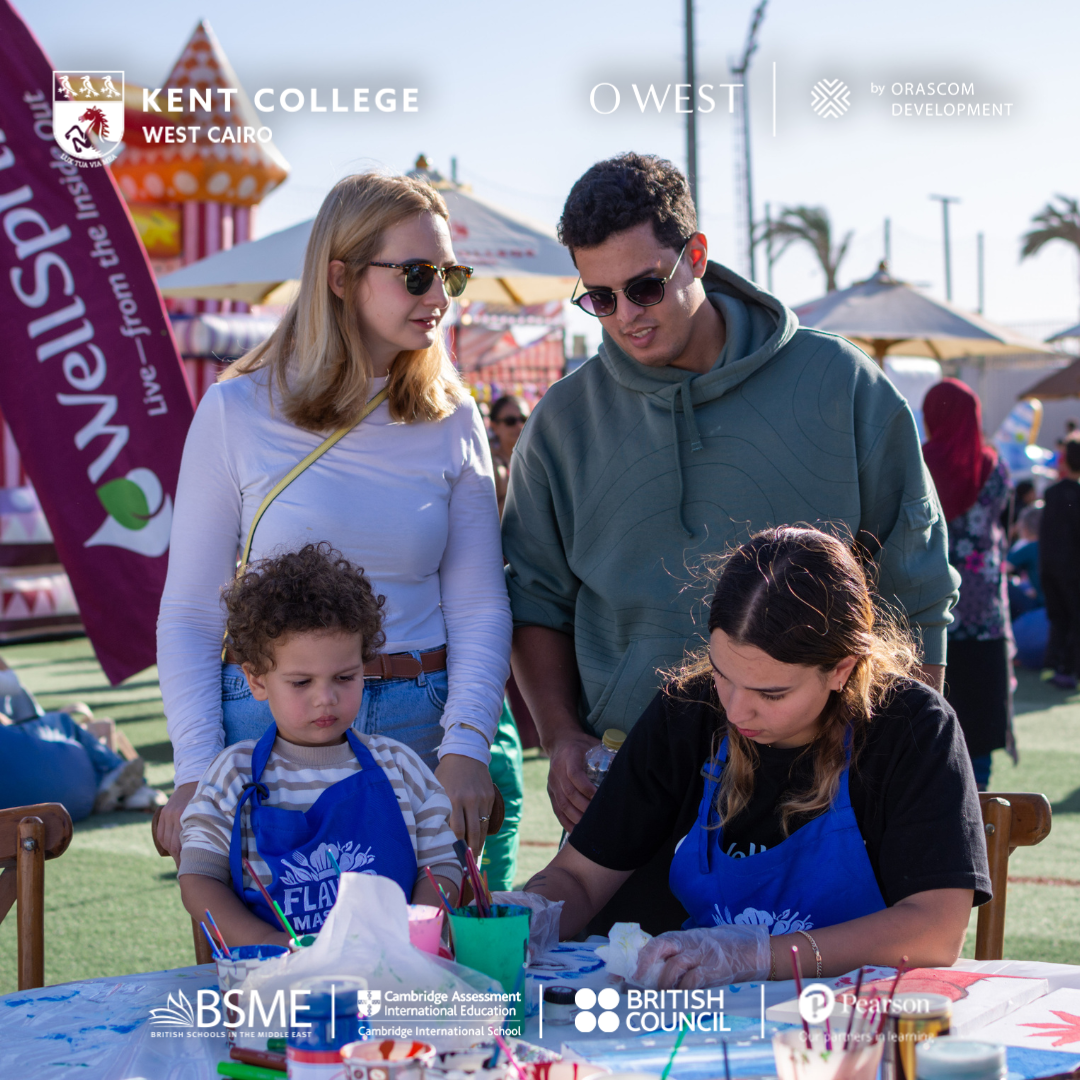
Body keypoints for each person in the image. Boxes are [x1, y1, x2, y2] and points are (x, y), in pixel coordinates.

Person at [502, 154, 959, 859]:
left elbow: (918, 590)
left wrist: (902, 770)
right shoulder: (561, 423)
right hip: (628, 784)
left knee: (831, 975)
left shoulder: (843, 385)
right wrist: (561, 736)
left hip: (825, 787)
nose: (626, 317)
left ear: (698, 256)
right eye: (599, 297)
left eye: (645, 287)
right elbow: (534, 602)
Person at [157, 173, 513, 864]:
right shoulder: (237, 408)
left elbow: (478, 601)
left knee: (424, 961)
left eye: (451, 275)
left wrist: (467, 742)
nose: (440, 296)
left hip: (421, 721)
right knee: (273, 958)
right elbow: (192, 610)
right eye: (417, 274)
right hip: (270, 724)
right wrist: (196, 768)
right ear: (341, 276)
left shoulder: (454, 414)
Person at [522, 527, 990, 983]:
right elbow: (580, 880)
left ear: (840, 670)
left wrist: (758, 956)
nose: (736, 709)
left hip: (847, 1024)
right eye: (724, 675)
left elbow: (935, 929)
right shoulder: (688, 710)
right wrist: (528, 914)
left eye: (772, 693)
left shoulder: (911, 726)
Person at [178, 545, 461, 946]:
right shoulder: (233, 774)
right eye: (301, 682)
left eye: (344, 677)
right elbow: (199, 879)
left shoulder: (400, 765)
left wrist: (413, 933)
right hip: (276, 985)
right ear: (257, 680)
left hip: (390, 975)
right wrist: (268, 944)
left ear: (365, 667)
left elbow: (442, 867)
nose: (325, 698)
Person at [922, 380, 1012, 790]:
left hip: (931, 610)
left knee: (929, 720)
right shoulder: (994, 469)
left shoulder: (919, 464)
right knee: (980, 729)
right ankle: (981, 812)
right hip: (985, 615)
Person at [1040, 435, 1080, 690]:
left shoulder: (1052, 492)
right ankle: (1068, 668)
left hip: (1051, 567)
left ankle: (1055, 664)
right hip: (1073, 569)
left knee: (1059, 618)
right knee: (1075, 619)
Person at [489, 395, 531, 517]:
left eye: (524, 419)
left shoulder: (536, 461)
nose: (519, 426)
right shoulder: (491, 467)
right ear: (494, 427)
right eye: (510, 421)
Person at [1006, 502, 1044, 618]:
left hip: (1040, 605)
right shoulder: (1052, 545)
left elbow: (1002, 568)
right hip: (1058, 602)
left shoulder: (1029, 546)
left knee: (1005, 585)